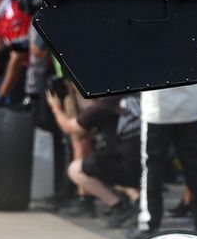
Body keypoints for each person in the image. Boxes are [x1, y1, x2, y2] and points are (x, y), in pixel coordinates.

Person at [47, 90, 142, 227]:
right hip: (150, 164)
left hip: (128, 168)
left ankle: (119, 206)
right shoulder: (136, 98)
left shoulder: (103, 107)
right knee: (110, 162)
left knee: (75, 170)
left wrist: (55, 108)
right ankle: (137, 201)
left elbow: (70, 128)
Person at [130, 83, 197, 238]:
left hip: (158, 109)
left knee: (152, 167)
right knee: (195, 165)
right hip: (189, 105)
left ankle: (149, 222)